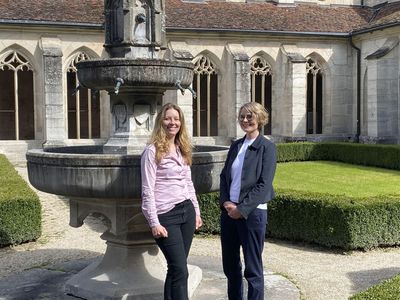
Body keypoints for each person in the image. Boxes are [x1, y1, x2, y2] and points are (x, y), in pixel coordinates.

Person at [141, 102, 203, 300]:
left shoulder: (182, 148)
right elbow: (147, 189)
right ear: (161, 121)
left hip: (186, 211)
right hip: (166, 215)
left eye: (176, 119)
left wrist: (196, 211)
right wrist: (154, 222)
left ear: (181, 123)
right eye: (168, 118)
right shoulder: (151, 152)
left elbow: (188, 183)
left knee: (176, 269)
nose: (172, 122)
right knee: (180, 269)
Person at [219, 102, 277, 300]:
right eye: (242, 116)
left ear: (259, 119)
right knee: (230, 266)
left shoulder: (267, 148)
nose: (245, 120)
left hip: (253, 214)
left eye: (249, 117)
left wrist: (241, 210)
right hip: (229, 213)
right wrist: (226, 202)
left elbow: (264, 184)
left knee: (252, 269)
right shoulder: (236, 145)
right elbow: (224, 176)